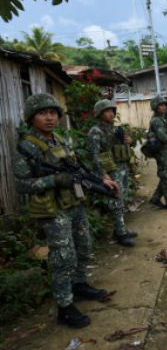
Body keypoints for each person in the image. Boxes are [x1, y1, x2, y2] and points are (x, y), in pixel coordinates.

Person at [13, 93, 119, 329]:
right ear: (32, 117)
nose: (49, 118)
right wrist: (54, 180)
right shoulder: (26, 147)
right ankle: (64, 306)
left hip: (73, 203)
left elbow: (78, 168)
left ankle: (79, 285)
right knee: (63, 258)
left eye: (53, 113)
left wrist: (103, 180)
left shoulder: (58, 140)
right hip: (52, 210)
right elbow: (21, 184)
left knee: (84, 245)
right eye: (43, 113)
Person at [88, 99, 137, 247]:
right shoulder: (95, 131)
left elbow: (128, 145)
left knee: (122, 199)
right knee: (116, 200)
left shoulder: (116, 130)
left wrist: (130, 141)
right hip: (111, 171)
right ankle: (120, 234)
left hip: (122, 168)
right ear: (99, 114)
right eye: (106, 111)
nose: (110, 114)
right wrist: (103, 174)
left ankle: (120, 229)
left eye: (112, 111)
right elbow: (94, 155)